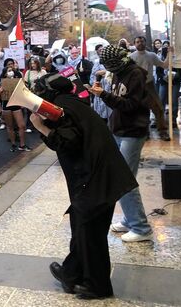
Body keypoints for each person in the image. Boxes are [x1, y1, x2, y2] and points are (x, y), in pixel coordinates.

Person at [30, 74, 139, 300]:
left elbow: (69, 142)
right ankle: (71, 274)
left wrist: (41, 126)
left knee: (90, 232)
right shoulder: (72, 103)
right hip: (99, 175)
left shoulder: (63, 108)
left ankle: (97, 286)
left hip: (95, 178)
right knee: (82, 225)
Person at [87, 45, 154, 243]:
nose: (107, 68)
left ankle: (141, 227)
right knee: (121, 177)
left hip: (133, 132)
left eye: (109, 64)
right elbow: (117, 102)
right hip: (118, 130)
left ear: (117, 62)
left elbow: (130, 105)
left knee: (124, 179)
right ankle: (130, 219)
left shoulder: (136, 75)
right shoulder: (117, 73)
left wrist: (103, 95)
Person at [129, 36, 171, 141]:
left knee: (159, 108)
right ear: (134, 44)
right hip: (136, 86)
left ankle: (162, 131)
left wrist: (170, 53)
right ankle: (144, 132)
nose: (140, 43)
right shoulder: (130, 57)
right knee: (140, 110)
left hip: (149, 84)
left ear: (145, 42)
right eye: (137, 42)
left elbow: (164, 65)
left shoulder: (151, 55)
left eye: (142, 41)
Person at [0, 61, 31, 152]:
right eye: (8, 70)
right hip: (6, 104)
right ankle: (13, 144)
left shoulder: (18, 76)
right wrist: (0, 91)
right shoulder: (3, 80)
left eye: (12, 68)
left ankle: (22, 144)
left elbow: (23, 89)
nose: (11, 71)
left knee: (21, 125)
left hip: (16, 104)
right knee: (10, 126)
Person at [89, 44, 113, 122]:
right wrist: (97, 80)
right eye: (100, 50)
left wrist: (106, 73)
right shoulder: (97, 62)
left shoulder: (113, 62)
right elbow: (93, 77)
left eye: (103, 50)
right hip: (101, 89)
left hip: (111, 90)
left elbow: (113, 76)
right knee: (102, 114)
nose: (102, 52)